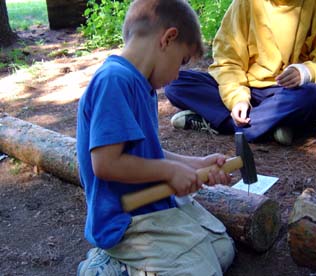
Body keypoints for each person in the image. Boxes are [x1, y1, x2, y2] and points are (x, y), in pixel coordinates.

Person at [76, 0, 235, 275]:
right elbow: (105, 164)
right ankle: (109, 268)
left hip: (153, 206)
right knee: (205, 272)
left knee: (222, 249)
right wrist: (170, 171)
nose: (176, 75)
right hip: (126, 219)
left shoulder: (142, 85)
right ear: (168, 38)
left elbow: (146, 155)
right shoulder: (114, 81)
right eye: (182, 61)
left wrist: (196, 164)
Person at [165, 0, 316, 145]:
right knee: (175, 82)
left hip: (289, 93)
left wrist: (305, 72)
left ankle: (223, 124)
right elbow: (227, 60)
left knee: (315, 96)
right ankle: (272, 125)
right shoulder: (245, 3)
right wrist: (237, 98)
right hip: (249, 89)